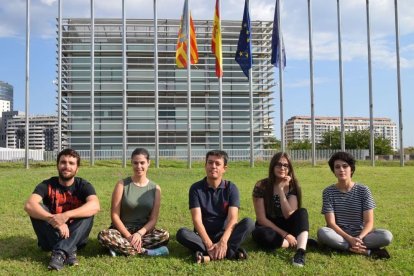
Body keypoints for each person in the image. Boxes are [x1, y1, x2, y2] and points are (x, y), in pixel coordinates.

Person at [24, 148, 100, 271]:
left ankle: (59, 253)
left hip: (77, 237)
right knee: (38, 209)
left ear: (77, 168)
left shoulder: (84, 185)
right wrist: (55, 220)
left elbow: (95, 206)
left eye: (71, 163)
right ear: (58, 165)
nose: (67, 166)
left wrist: (66, 215)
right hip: (50, 237)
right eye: (63, 162)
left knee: (88, 211)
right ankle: (69, 251)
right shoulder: (47, 184)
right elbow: (29, 205)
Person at [176, 150, 254, 263]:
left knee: (249, 223)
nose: (213, 166)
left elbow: (233, 219)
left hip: (225, 234)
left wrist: (223, 242)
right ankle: (230, 253)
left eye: (217, 164)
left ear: (224, 169)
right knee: (182, 233)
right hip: (203, 236)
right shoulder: (196, 188)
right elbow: (196, 220)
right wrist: (208, 243)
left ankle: (209, 256)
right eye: (210, 163)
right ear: (205, 165)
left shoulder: (231, 188)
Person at [317, 151, 393, 259]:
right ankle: (365, 251)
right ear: (333, 171)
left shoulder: (363, 190)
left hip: (362, 234)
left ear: (351, 169)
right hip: (340, 234)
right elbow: (331, 223)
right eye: (337, 167)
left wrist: (359, 238)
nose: (341, 170)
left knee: (386, 236)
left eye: (345, 166)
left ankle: (345, 247)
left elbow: (369, 222)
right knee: (322, 232)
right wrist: (349, 238)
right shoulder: (328, 192)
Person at [98, 148, 169, 256]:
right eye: (135, 163)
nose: (139, 166)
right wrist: (129, 236)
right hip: (121, 231)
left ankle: (120, 249)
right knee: (104, 235)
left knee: (164, 235)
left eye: (142, 163)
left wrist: (139, 234)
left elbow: (153, 219)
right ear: (131, 163)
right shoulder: (122, 185)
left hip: (143, 232)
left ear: (148, 163)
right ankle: (147, 252)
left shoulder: (155, 188)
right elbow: (114, 216)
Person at [252, 152, 312, 267]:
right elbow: (261, 219)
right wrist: (285, 235)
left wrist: (280, 189)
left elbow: (289, 214)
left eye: (286, 165)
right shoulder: (261, 185)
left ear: (290, 168)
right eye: (278, 164)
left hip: (288, 224)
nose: (282, 168)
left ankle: (300, 252)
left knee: (302, 212)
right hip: (270, 226)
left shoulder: (293, 186)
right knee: (259, 234)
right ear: (273, 166)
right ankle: (298, 241)